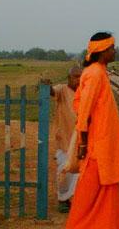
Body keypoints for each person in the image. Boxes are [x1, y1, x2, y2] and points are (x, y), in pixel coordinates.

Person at [65, 32, 119, 229]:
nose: (115, 51)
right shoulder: (95, 73)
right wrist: (84, 143)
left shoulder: (98, 71)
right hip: (96, 148)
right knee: (86, 200)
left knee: (104, 195)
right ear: (101, 51)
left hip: (103, 147)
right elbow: (85, 110)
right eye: (112, 48)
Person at [48, 66, 82, 213]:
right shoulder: (62, 90)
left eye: (80, 76)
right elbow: (51, 92)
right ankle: (62, 199)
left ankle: (72, 198)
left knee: (79, 172)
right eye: (75, 76)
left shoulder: (84, 92)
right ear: (69, 78)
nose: (78, 79)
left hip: (81, 140)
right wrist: (46, 86)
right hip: (65, 140)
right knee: (64, 170)